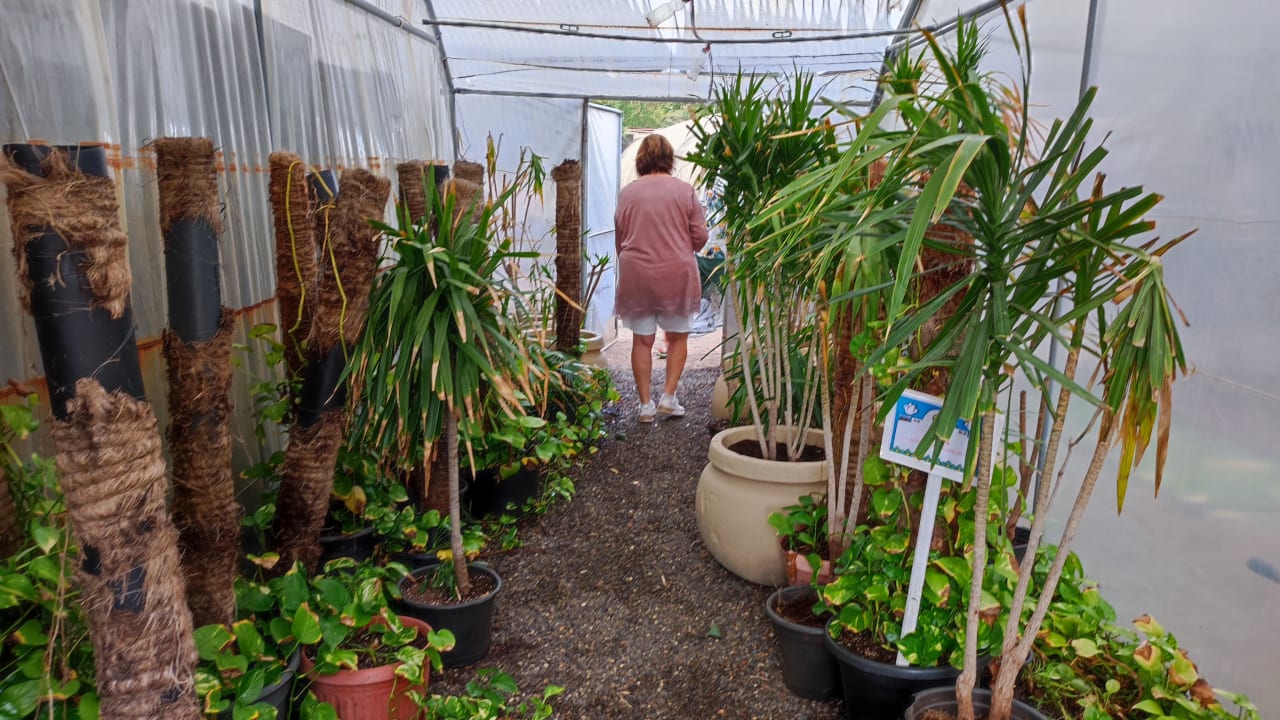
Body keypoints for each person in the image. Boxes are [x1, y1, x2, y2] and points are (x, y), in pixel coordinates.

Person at [614, 134, 709, 422]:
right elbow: (701, 236)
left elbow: (620, 237)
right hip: (676, 272)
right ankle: (668, 397)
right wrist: (682, 247)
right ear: (670, 159)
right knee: (677, 337)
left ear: (640, 159)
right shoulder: (684, 191)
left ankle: (645, 406)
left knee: (641, 341)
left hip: (636, 273)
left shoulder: (627, 194)